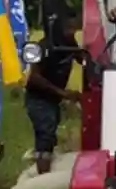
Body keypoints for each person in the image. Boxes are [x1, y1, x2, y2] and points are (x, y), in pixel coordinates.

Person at [24, 12, 82, 174]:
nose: (71, 32)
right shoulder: (42, 47)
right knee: (45, 135)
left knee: (50, 135)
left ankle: (43, 166)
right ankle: (42, 175)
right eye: (68, 28)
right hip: (38, 99)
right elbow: (34, 77)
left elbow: (84, 59)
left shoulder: (69, 43)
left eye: (74, 28)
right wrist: (63, 93)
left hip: (53, 100)